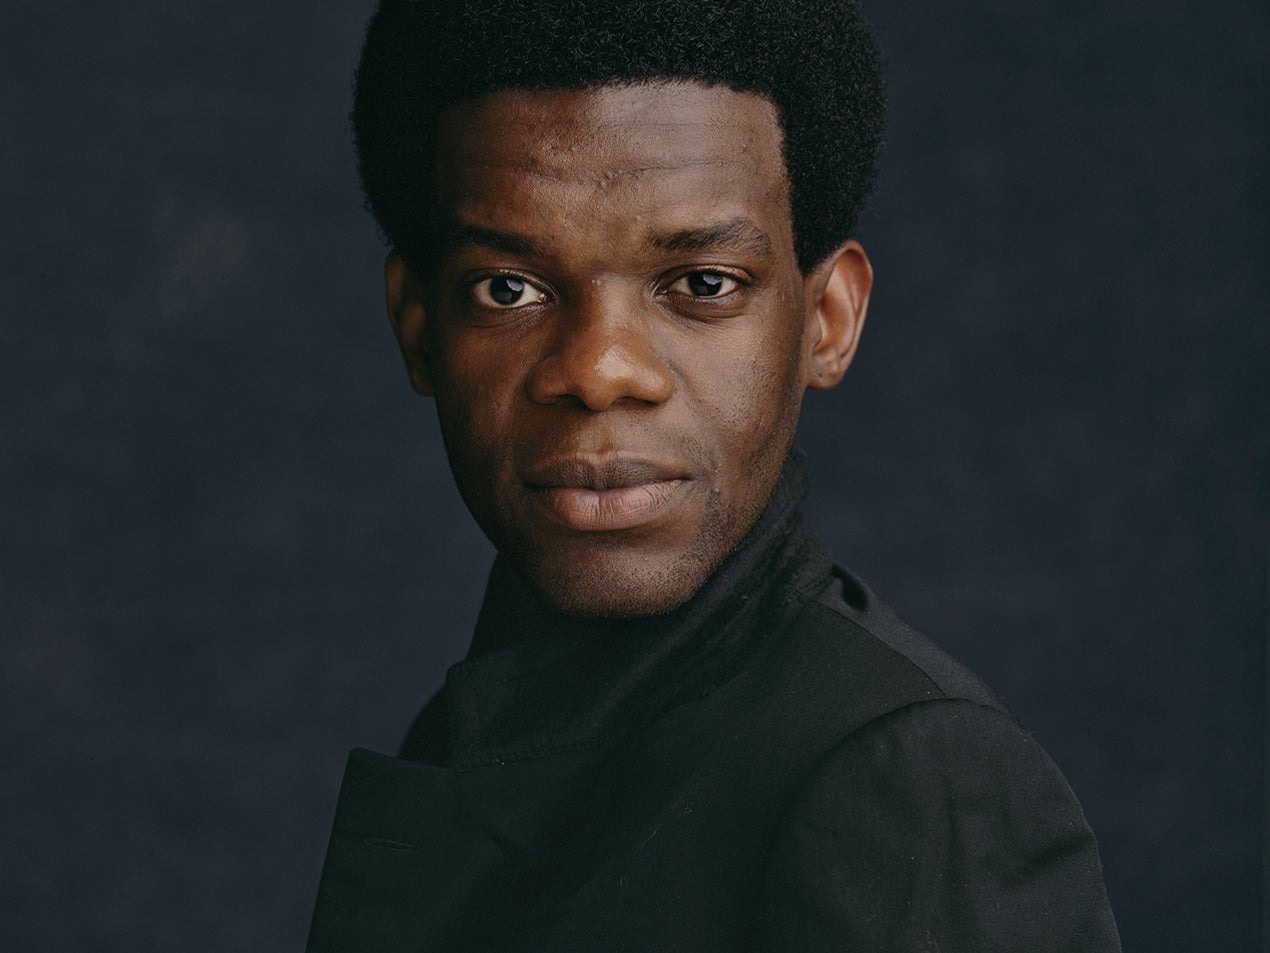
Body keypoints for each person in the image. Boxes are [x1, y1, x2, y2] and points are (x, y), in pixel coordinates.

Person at [307, 0, 1122, 949]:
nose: (601, 369)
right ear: (418, 329)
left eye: (703, 283)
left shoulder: (913, 781)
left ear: (828, 320)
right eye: (509, 288)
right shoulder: (468, 730)